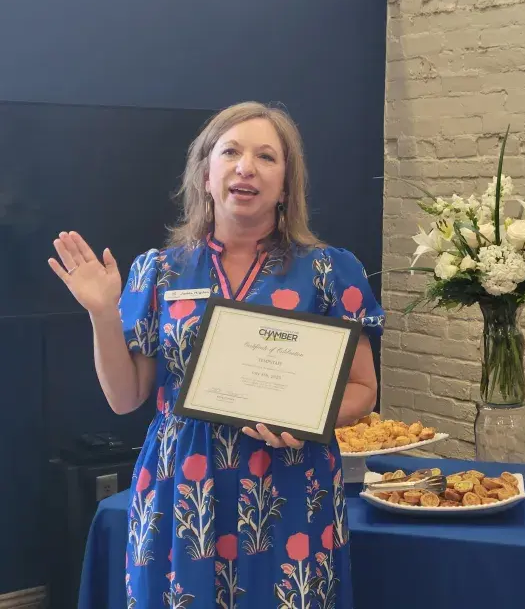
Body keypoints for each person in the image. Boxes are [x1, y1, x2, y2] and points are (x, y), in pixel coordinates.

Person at [49, 101, 384, 607]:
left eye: (266, 156)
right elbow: (125, 397)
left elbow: (363, 388)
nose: (246, 167)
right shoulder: (159, 270)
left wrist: (306, 418)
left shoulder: (330, 271)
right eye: (230, 152)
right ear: (205, 174)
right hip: (181, 488)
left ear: (286, 184)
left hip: (290, 483)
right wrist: (102, 313)